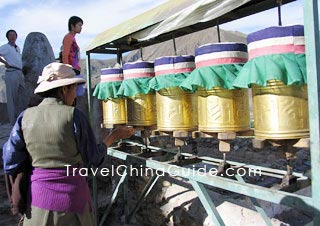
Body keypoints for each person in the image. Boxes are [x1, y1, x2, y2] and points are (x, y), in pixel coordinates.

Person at [2, 62, 135, 226]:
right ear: (64, 89)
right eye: (74, 89)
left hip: (37, 204)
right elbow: (94, 159)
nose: (75, 95)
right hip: (72, 205)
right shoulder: (74, 116)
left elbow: (10, 160)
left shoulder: (25, 117)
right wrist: (112, 137)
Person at [0, 29, 27, 125]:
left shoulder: (17, 48)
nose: (12, 37)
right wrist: (4, 62)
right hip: (11, 72)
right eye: (10, 35)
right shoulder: (6, 47)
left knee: (23, 96)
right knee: (12, 99)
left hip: (19, 73)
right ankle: (13, 122)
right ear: (7, 37)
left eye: (14, 35)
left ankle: (22, 119)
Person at [62, 16, 85, 98]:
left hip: (74, 69)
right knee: (72, 96)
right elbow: (65, 54)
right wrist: (67, 70)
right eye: (79, 25)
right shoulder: (68, 37)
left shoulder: (72, 38)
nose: (81, 27)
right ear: (72, 26)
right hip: (71, 70)